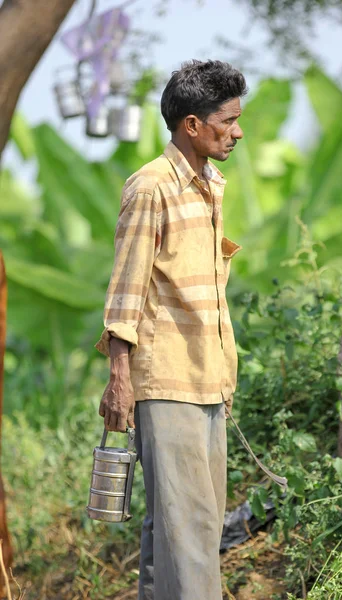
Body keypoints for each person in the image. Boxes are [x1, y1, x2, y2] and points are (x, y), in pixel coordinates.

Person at [95, 59, 247, 600]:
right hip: (166, 381)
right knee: (194, 530)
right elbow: (126, 290)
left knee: (173, 531)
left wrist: (226, 378)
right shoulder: (151, 187)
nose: (237, 131)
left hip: (209, 380)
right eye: (227, 121)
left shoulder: (212, 184)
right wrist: (120, 379)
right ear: (191, 124)